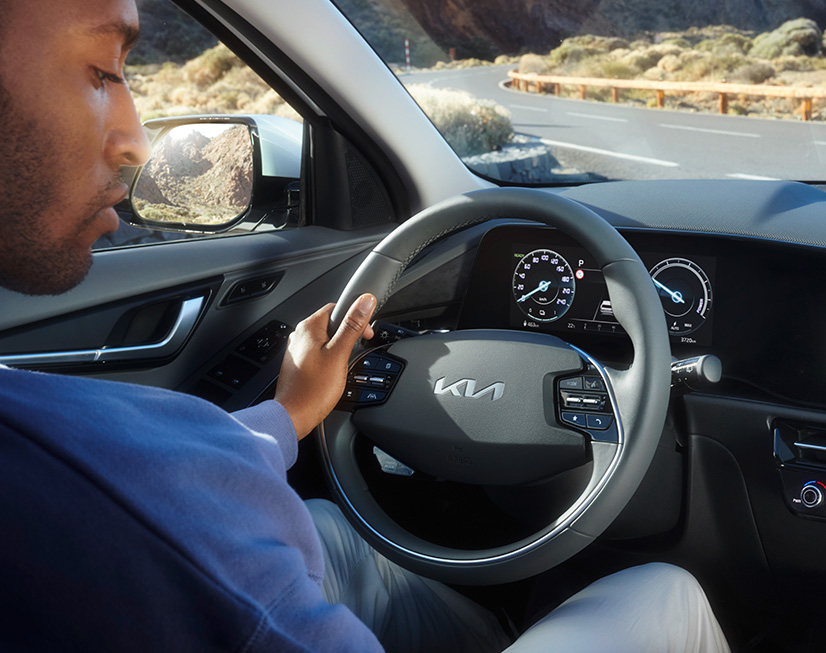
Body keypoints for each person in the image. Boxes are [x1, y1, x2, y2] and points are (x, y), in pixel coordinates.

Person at [0, 0, 731, 650]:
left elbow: (184, 472)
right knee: (665, 593)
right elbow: (173, 494)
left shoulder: (58, 444)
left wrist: (290, 412)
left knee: (331, 531)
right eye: (103, 72)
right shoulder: (141, 509)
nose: (137, 141)